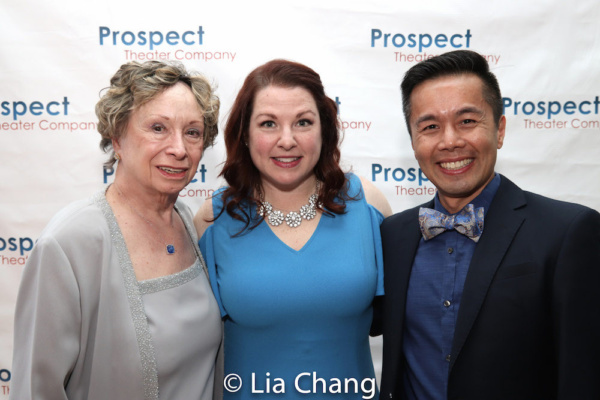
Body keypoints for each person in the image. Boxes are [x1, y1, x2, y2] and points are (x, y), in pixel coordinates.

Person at [376, 49, 600, 399]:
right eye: (430, 126)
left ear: (499, 129)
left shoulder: (567, 232)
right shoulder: (392, 236)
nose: (450, 141)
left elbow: (583, 377)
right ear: (414, 142)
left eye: (467, 121)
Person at [10, 60, 222, 400]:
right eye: (157, 128)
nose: (179, 149)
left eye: (192, 132)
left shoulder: (186, 219)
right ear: (117, 137)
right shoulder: (69, 244)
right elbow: (35, 391)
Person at [194, 59, 392, 400]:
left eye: (303, 122)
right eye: (268, 123)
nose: (287, 140)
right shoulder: (212, 218)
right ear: (244, 134)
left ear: (324, 130)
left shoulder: (368, 205)